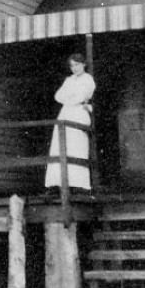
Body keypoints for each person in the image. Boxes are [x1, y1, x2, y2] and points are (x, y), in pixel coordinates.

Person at [45, 53, 96, 191]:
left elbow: (82, 96)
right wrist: (70, 97)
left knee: (76, 146)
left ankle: (77, 184)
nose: (74, 68)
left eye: (77, 65)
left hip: (78, 114)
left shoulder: (88, 79)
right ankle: (59, 182)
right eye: (72, 65)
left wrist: (71, 97)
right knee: (60, 146)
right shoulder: (69, 80)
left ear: (83, 64)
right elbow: (58, 96)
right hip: (65, 113)